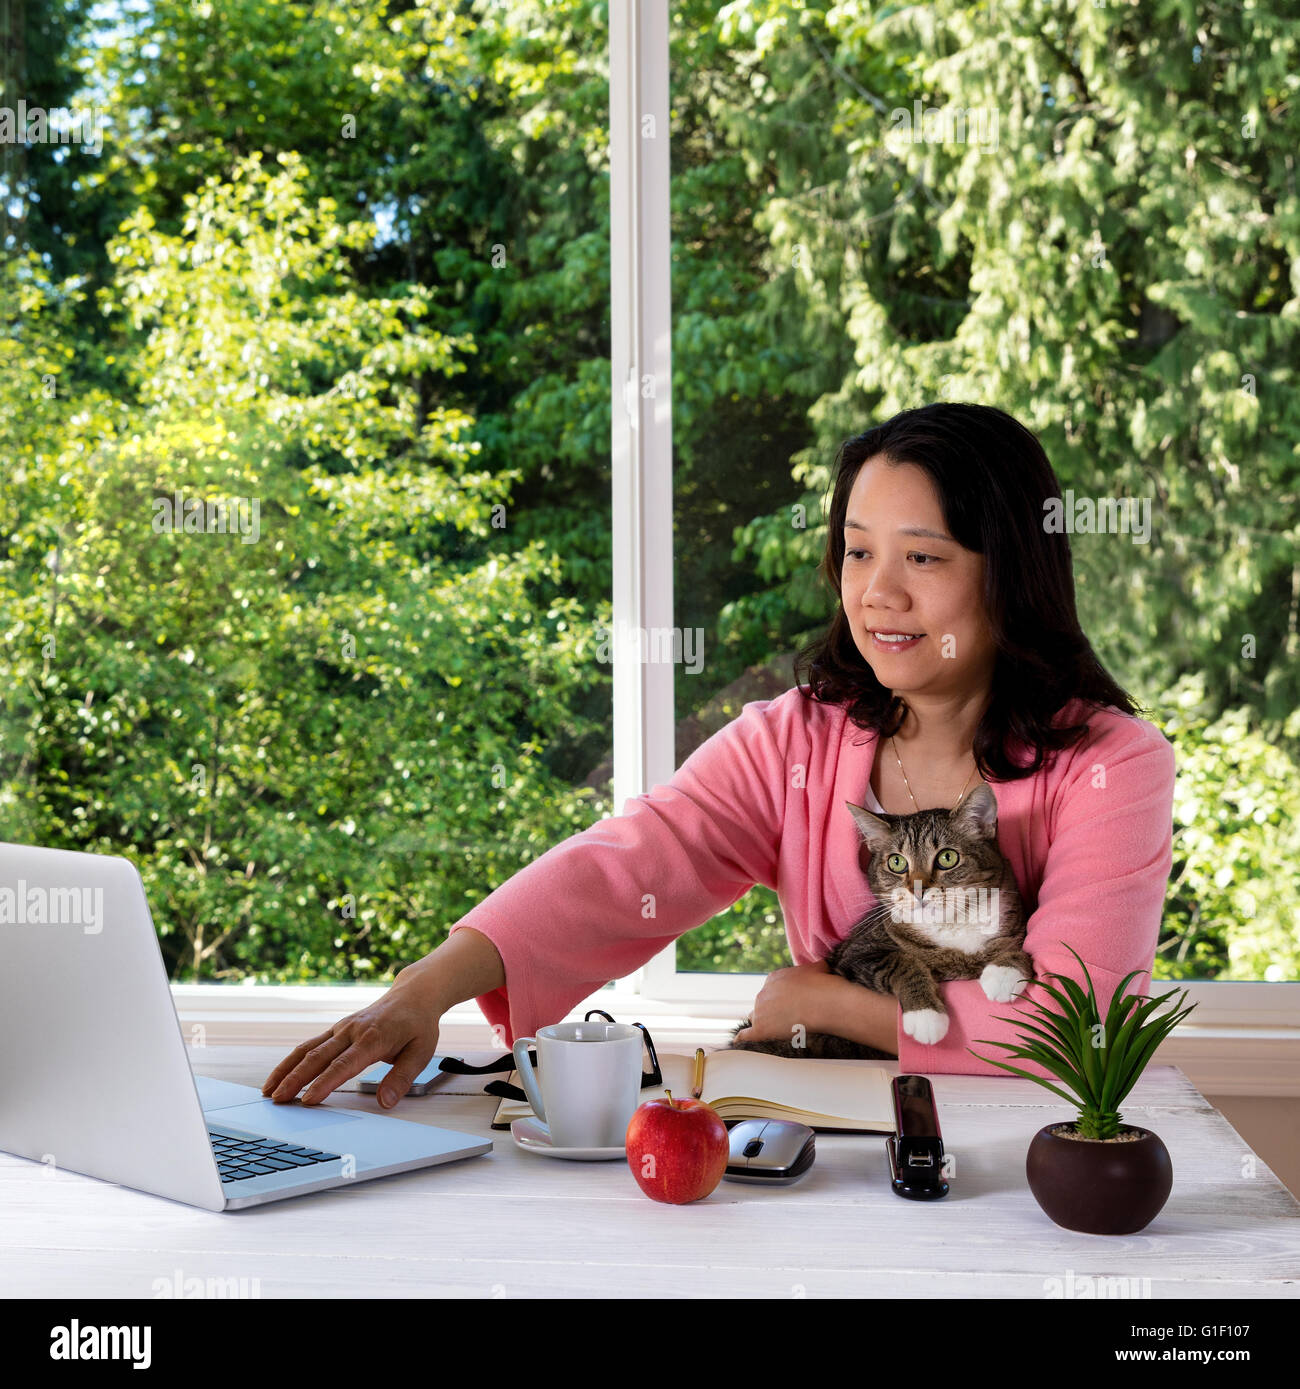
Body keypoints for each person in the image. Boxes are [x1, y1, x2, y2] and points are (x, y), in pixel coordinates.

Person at [262, 402, 1176, 1110]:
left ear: (1010, 567)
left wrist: (829, 1002)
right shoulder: (800, 736)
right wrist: (424, 989)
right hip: (830, 1145)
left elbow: (1071, 1029)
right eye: (857, 553)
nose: (878, 592)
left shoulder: (1113, 764)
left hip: (1013, 1173)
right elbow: (631, 865)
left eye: (924, 559)